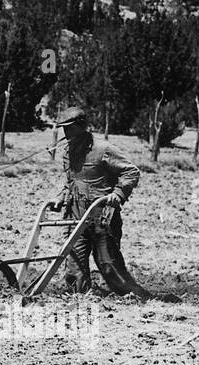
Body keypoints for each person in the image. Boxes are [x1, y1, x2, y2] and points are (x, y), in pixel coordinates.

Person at [47, 105, 142, 294]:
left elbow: (131, 171)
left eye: (70, 127)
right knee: (74, 261)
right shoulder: (68, 152)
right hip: (75, 214)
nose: (66, 132)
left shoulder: (103, 149)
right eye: (64, 128)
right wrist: (60, 198)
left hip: (101, 216)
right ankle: (80, 298)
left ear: (82, 126)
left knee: (108, 263)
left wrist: (118, 193)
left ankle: (126, 296)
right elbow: (71, 181)